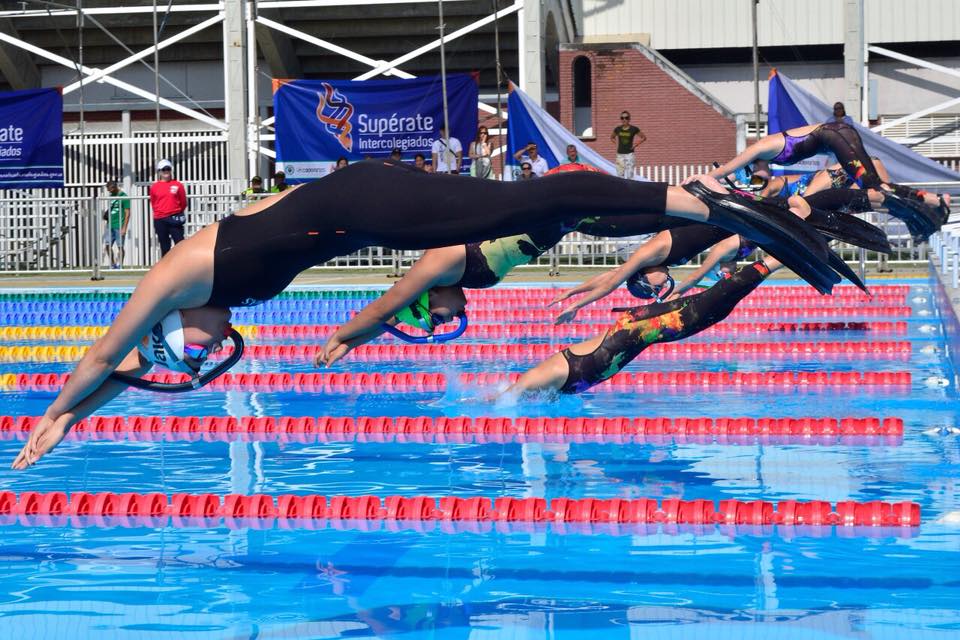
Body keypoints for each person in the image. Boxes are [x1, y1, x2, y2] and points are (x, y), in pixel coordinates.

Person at [16, 161, 841, 468]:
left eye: (192, 357)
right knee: (547, 211)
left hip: (359, 199)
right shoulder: (209, 306)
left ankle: (713, 200)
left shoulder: (175, 277)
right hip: (359, 216)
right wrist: (88, 416)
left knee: (531, 199)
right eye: (201, 365)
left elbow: (104, 356)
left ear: (170, 328)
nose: (204, 355)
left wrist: (55, 414)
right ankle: (704, 212)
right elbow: (138, 373)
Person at [504, 256, 784, 396]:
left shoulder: (543, 376)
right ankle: (774, 260)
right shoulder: (552, 390)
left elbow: (506, 400)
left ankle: (775, 259)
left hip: (633, 329)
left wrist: (574, 297)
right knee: (715, 309)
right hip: (634, 331)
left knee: (711, 304)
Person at [704, 121, 950, 241]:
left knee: (874, 188)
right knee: (876, 189)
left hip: (836, 136)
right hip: (838, 137)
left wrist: (703, 180)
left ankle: (929, 207)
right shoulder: (765, 161)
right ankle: (935, 200)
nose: (758, 179)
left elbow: (726, 168)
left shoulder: (759, 148)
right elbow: (749, 180)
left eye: (751, 174)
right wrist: (732, 184)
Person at [149, 159, 187, 257]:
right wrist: (160, 214)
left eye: (168, 169)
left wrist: (177, 212)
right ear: (159, 172)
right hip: (160, 219)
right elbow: (153, 203)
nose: (166, 171)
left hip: (174, 217)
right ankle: (166, 268)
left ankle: (182, 267)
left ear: (171, 170)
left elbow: (183, 202)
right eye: (163, 169)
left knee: (180, 244)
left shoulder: (178, 185)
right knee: (164, 245)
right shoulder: (154, 187)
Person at [103, 180, 130, 269]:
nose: (109, 191)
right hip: (110, 225)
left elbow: (127, 213)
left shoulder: (124, 196)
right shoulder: (111, 196)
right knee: (107, 245)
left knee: (120, 246)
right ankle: (113, 264)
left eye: (110, 189)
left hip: (119, 225)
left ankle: (120, 265)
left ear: (114, 187)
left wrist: (124, 228)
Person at [611, 111, 646, 178]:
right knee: (620, 175)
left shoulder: (634, 129)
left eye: (626, 118)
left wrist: (636, 145)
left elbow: (643, 137)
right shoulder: (617, 129)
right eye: (622, 118)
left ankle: (630, 188)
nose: (624, 119)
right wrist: (616, 144)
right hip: (620, 155)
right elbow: (612, 137)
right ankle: (622, 188)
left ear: (629, 119)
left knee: (630, 175)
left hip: (629, 154)